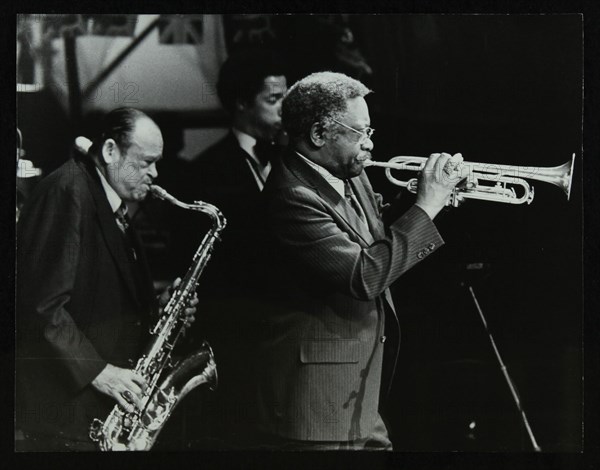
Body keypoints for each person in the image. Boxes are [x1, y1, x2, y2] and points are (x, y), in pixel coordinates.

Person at [255, 71, 463, 450]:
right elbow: (364, 275)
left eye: (370, 132)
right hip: (317, 406)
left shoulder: (348, 174)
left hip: (359, 394)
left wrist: (424, 199)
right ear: (320, 133)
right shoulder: (290, 197)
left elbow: (374, 235)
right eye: (359, 132)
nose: (369, 144)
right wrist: (426, 207)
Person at [15, 107, 197, 451]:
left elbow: (95, 298)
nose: (154, 173)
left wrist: (159, 312)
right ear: (111, 150)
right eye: (145, 163)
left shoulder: (105, 199)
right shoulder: (68, 191)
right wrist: (101, 372)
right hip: (70, 418)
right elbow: (42, 308)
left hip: (95, 415)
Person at [167, 49, 288, 448]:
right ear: (240, 103)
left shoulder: (293, 161)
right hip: (237, 341)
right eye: (274, 100)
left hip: (290, 339)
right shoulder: (202, 173)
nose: (285, 110)